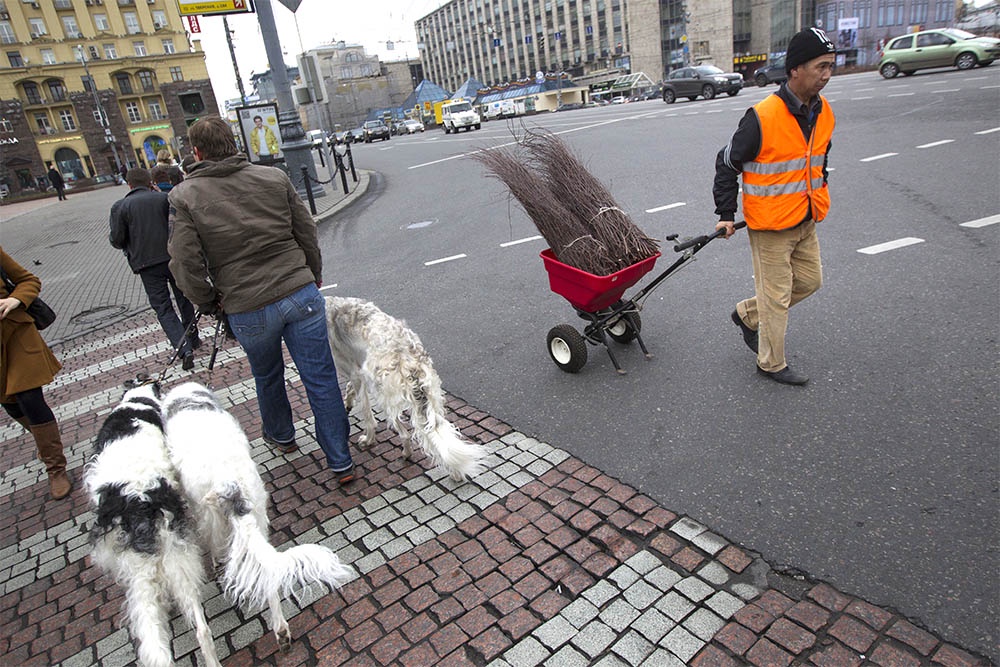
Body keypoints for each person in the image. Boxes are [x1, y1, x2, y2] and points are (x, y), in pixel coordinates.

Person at [167, 117, 356, 485]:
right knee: (320, 378)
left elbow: (184, 263)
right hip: (299, 292)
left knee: (267, 374)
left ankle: (282, 436)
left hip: (245, 304)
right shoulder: (273, 177)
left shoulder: (185, 196)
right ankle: (340, 459)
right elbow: (306, 230)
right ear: (234, 142)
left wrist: (207, 302)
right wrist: (311, 274)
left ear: (196, 152)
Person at [713, 27, 837, 386]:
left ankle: (747, 314)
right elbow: (726, 164)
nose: (827, 75)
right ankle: (770, 363)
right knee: (777, 298)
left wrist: (818, 191)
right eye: (821, 67)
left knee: (811, 282)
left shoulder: (823, 111)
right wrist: (725, 215)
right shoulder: (761, 116)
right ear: (796, 69)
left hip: (805, 218)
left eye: (831, 66)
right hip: (768, 227)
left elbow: (818, 160)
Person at [0, 248, 73, 500]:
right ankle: (46, 442)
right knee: (10, 405)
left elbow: (29, 280)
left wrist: (15, 300)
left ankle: (56, 468)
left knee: (29, 399)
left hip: (16, 334)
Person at [110, 167, 199, 370]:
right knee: (184, 298)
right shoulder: (164, 199)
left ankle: (183, 347)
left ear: (129, 184)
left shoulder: (121, 207)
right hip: (172, 256)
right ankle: (192, 337)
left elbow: (117, 239)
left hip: (146, 264)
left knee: (163, 307)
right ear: (149, 181)